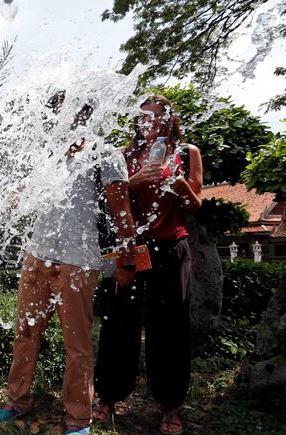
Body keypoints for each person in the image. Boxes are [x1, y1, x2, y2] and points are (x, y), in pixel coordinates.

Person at [0, 100, 137, 435]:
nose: (54, 119)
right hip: (36, 259)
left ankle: (78, 418)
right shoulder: (48, 159)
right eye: (52, 114)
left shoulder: (105, 154)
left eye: (62, 112)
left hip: (77, 263)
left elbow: (121, 210)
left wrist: (128, 260)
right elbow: (19, 196)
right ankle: (17, 401)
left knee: (77, 344)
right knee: (25, 334)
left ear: (83, 115)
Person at [93, 95, 202, 435]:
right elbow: (108, 204)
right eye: (144, 116)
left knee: (170, 327)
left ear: (170, 120)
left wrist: (177, 181)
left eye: (159, 116)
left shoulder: (187, 154)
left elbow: (194, 205)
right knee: (117, 323)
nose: (151, 122)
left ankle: (170, 405)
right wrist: (133, 181)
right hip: (131, 251)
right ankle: (108, 397)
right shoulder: (123, 157)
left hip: (171, 249)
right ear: (136, 121)